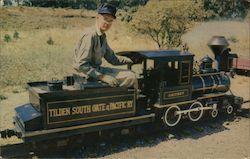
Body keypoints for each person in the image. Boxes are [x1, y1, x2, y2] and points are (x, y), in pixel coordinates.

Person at [73, 3, 138, 89]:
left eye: (110, 20)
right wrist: (103, 77)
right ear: (97, 17)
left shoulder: (102, 36)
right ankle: (134, 100)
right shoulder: (90, 35)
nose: (107, 23)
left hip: (96, 70)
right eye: (105, 19)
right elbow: (81, 65)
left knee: (131, 73)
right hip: (86, 75)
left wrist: (130, 60)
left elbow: (112, 58)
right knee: (131, 78)